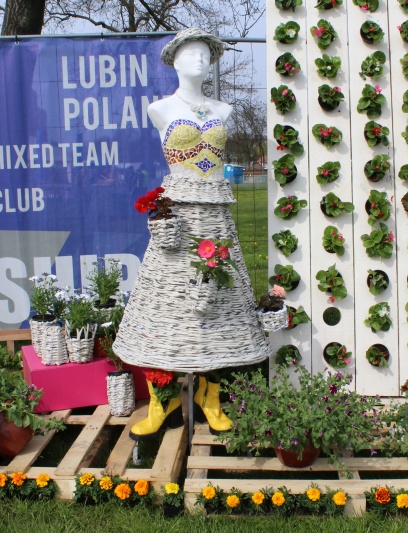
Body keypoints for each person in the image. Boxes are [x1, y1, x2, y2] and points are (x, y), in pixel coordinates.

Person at [112, 28, 271, 441]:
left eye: (205, 54)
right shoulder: (160, 108)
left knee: (219, 302)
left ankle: (209, 396)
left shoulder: (224, 108)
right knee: (167, 307)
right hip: (178, 216)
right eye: (191, 53)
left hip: (216, 217)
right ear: (175, 61)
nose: (199, 59)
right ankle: (162, 400)